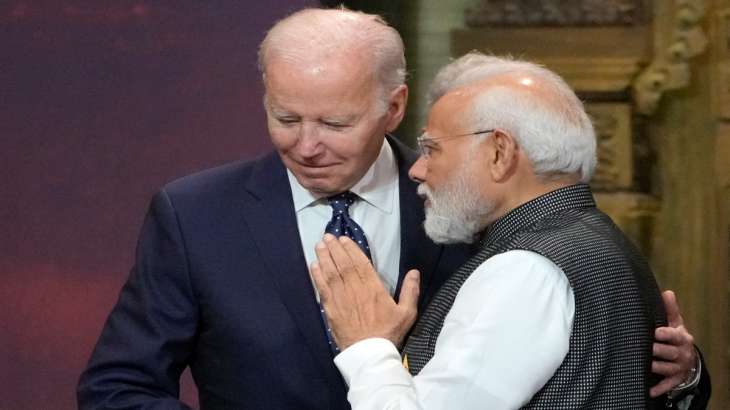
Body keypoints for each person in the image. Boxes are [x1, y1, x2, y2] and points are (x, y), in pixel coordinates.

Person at [77, 8, 705, 409]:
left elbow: (584, 356)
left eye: (336, 121)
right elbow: (117, 389)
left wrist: (681, 377)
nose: (306, 143)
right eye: (285, 117)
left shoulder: (473, 208)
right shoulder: (194, 215)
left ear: (394, 107)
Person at [311, 52, 710, 409]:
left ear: (500, 153)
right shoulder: (594, 237)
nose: (417, 169)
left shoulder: (525, 269)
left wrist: (368, 345)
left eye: (433, 149)